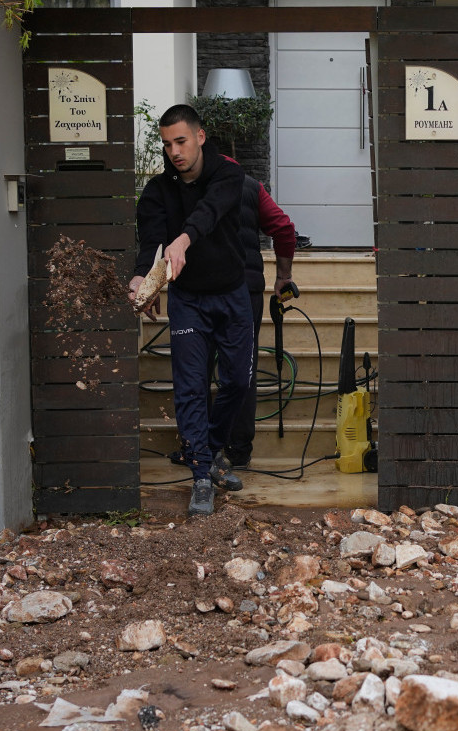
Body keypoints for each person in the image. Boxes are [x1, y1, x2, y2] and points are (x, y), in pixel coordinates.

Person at [128, 104, 253, 517]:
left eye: (181, 141)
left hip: (232, 293)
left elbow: (210, 211)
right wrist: (142, 280)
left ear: (200, 136)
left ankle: (211, 450)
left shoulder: (229, 175)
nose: (174, 151)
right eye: (166, 144)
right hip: (188, 302)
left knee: (237, 381)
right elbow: (150, 242)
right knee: (190, 386)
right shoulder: (157, 192)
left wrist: (183, 240)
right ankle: (202, 473)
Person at [224, 168, 297, 468]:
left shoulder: (190, 181)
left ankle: (199, 448)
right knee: (244, 368)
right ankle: (239, 451)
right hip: (245, 287)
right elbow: (284, 228)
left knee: (198, 369)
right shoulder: (250, 185)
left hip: (203, 291)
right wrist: (284, 277)